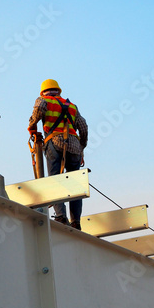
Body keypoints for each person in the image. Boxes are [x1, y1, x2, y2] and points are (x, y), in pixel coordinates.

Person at [28, 79, 88, 230]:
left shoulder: (43, 99)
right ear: (58, 90)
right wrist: (81, 148)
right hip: (74, 146)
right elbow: (83, 127)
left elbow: (39, 110)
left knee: (55, 180)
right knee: (75, 185)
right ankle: (76, 222)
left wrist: (32, 126)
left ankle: (61, 216)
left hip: (54, 142)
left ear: (43, 91)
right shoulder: (72, 106)